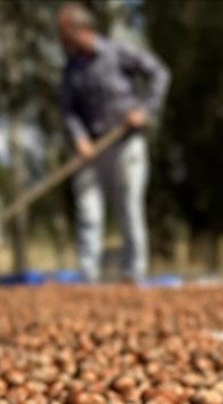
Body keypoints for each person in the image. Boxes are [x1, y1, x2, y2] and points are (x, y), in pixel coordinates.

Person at [58, 3, 169, 283]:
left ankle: (133, 273)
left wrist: (145, 110)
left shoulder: (118, 53)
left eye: (64, 35)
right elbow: (69, 110)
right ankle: (88, 274)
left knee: (129, 209)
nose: (61, 41)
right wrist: (79, 138)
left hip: (124, 142)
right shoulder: (70, 70)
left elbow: (159, 74)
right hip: (91, 149)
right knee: (88, 212)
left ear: (82, 31)